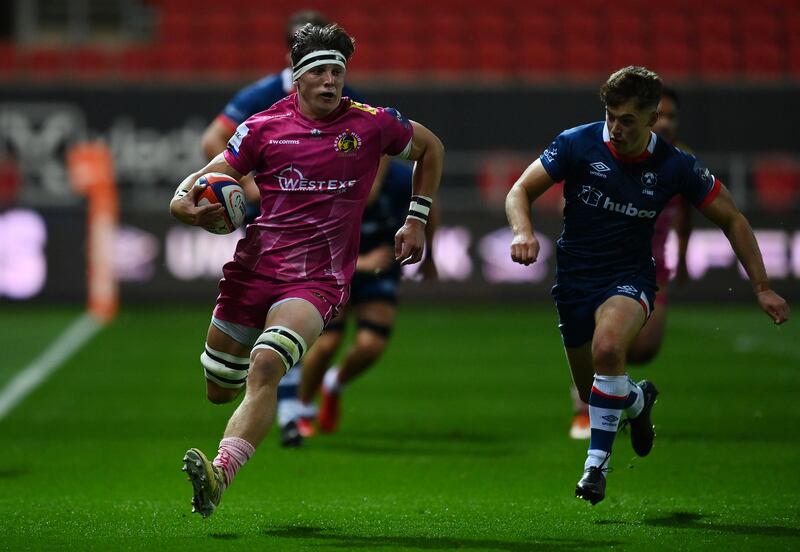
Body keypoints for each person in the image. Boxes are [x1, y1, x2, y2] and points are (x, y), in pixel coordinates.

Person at [170, 23, 444, 518]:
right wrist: (182, 206)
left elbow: (431, 148)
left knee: (267, 365)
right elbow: (210, 175)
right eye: (318, 70)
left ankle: (219, 474)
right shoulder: (262, 128)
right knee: (218, 388)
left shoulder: (371, 124)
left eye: (337, 71)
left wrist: (417, 218)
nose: (330, 81)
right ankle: (235, 430)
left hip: (317, 279)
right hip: (254, 270)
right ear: (297, 79)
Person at [505, 66, 789, 506]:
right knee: (592, 391)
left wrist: (761, 286)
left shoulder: (677, 166)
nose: (615, 128)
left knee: (607, 350)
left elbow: (732, 217)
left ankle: (594, 468)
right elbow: (520, 189)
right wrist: (523, 231)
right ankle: (638, 401)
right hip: (575, 279)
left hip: (631, 276)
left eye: (627, 120)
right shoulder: (577, 142)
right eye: (610, 116)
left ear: (652, 120)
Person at [568, 86, 693, 440]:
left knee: (644, 349)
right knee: (602, 343)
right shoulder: (610, 154)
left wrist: (682, 257)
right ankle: (584, 411)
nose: (667, 122)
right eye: (662, 115)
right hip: (607, 263)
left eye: (672, 116)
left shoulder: (682, 162)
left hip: (655, 266)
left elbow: (689, 213)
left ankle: (629, 393)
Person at [291, 161, 438, 437]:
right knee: (327, 344)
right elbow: (310, 233)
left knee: (371, 346)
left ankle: (334, 384)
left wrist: (430, 256)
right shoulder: (332, 174)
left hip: (381, 266)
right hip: (333, 267)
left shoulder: (403, 179)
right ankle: (302, 408)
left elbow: (429, 209)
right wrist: (360, 262)